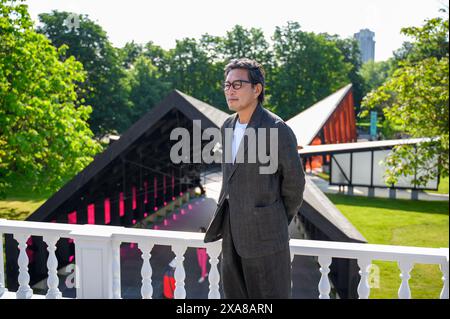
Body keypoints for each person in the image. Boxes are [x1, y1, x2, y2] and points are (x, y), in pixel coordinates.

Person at [204, 58, 306, 298]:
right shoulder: (227, 126)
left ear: (257, 89)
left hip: (267, 238)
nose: (230, 90)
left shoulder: (277, 128)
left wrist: (273, 218)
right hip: (231, 236)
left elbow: (294, 184)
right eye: (227, 85)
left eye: (237, 84)